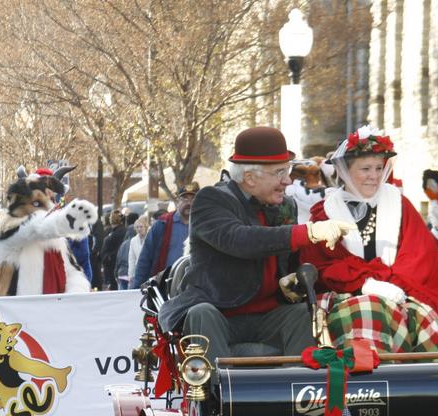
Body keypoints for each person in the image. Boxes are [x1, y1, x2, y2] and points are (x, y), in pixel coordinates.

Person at [157, 126, 354, 367]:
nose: (288, 180)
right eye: (280, 172)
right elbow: (241, 240)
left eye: (288, 170)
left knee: (303, 315)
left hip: (267, 316)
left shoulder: (286, 206)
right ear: (250, 178)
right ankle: (218, 398)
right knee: (201, 314)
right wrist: (310, 232)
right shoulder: (211, 200)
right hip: (219, 313)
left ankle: (297, 396)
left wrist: (290, 281)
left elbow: (287, 259)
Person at [302, 126, 438, 353]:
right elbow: (322, 264)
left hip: (401, 292)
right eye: (365, 168)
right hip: (345, 296)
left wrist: (392, 286)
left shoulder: (400, 204)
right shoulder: (325, 211)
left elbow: (419, 256)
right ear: (345, 170)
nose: (374, 176)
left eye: (378, 168)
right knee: (367, 312)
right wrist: (366, 283)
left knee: (436, 333)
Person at [131, 182, 199, 289]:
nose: (189, 203)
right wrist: (136, 289)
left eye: (193, 199)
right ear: (177, 201)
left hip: (194, 287)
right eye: (185, 198)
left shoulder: (203, 225)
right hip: (164, 286)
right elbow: (145, 258)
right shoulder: (162, 224)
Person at [126, 216, 150, 287]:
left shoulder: (149, 238)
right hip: (138, 270)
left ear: (145, 227)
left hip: (148, 269)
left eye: (141, 227)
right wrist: (130, 275)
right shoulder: (133, 240)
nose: (139, 229)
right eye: (137, 227)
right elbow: (131, 258)